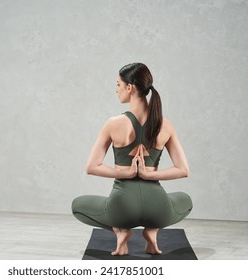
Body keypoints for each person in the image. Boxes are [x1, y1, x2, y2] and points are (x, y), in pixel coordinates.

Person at [71, 62, 193, 256]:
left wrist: (124, 172)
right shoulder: (166, 125)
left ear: (130, 87)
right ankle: (152, 230)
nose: (116, 89)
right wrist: (149, 175)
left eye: (118, 84)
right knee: (185, 200)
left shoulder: (113, 124)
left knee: (78, 205)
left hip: (121, 207)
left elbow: (92, 167)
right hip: (157, 206)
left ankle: (120, 231)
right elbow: (183, 170)